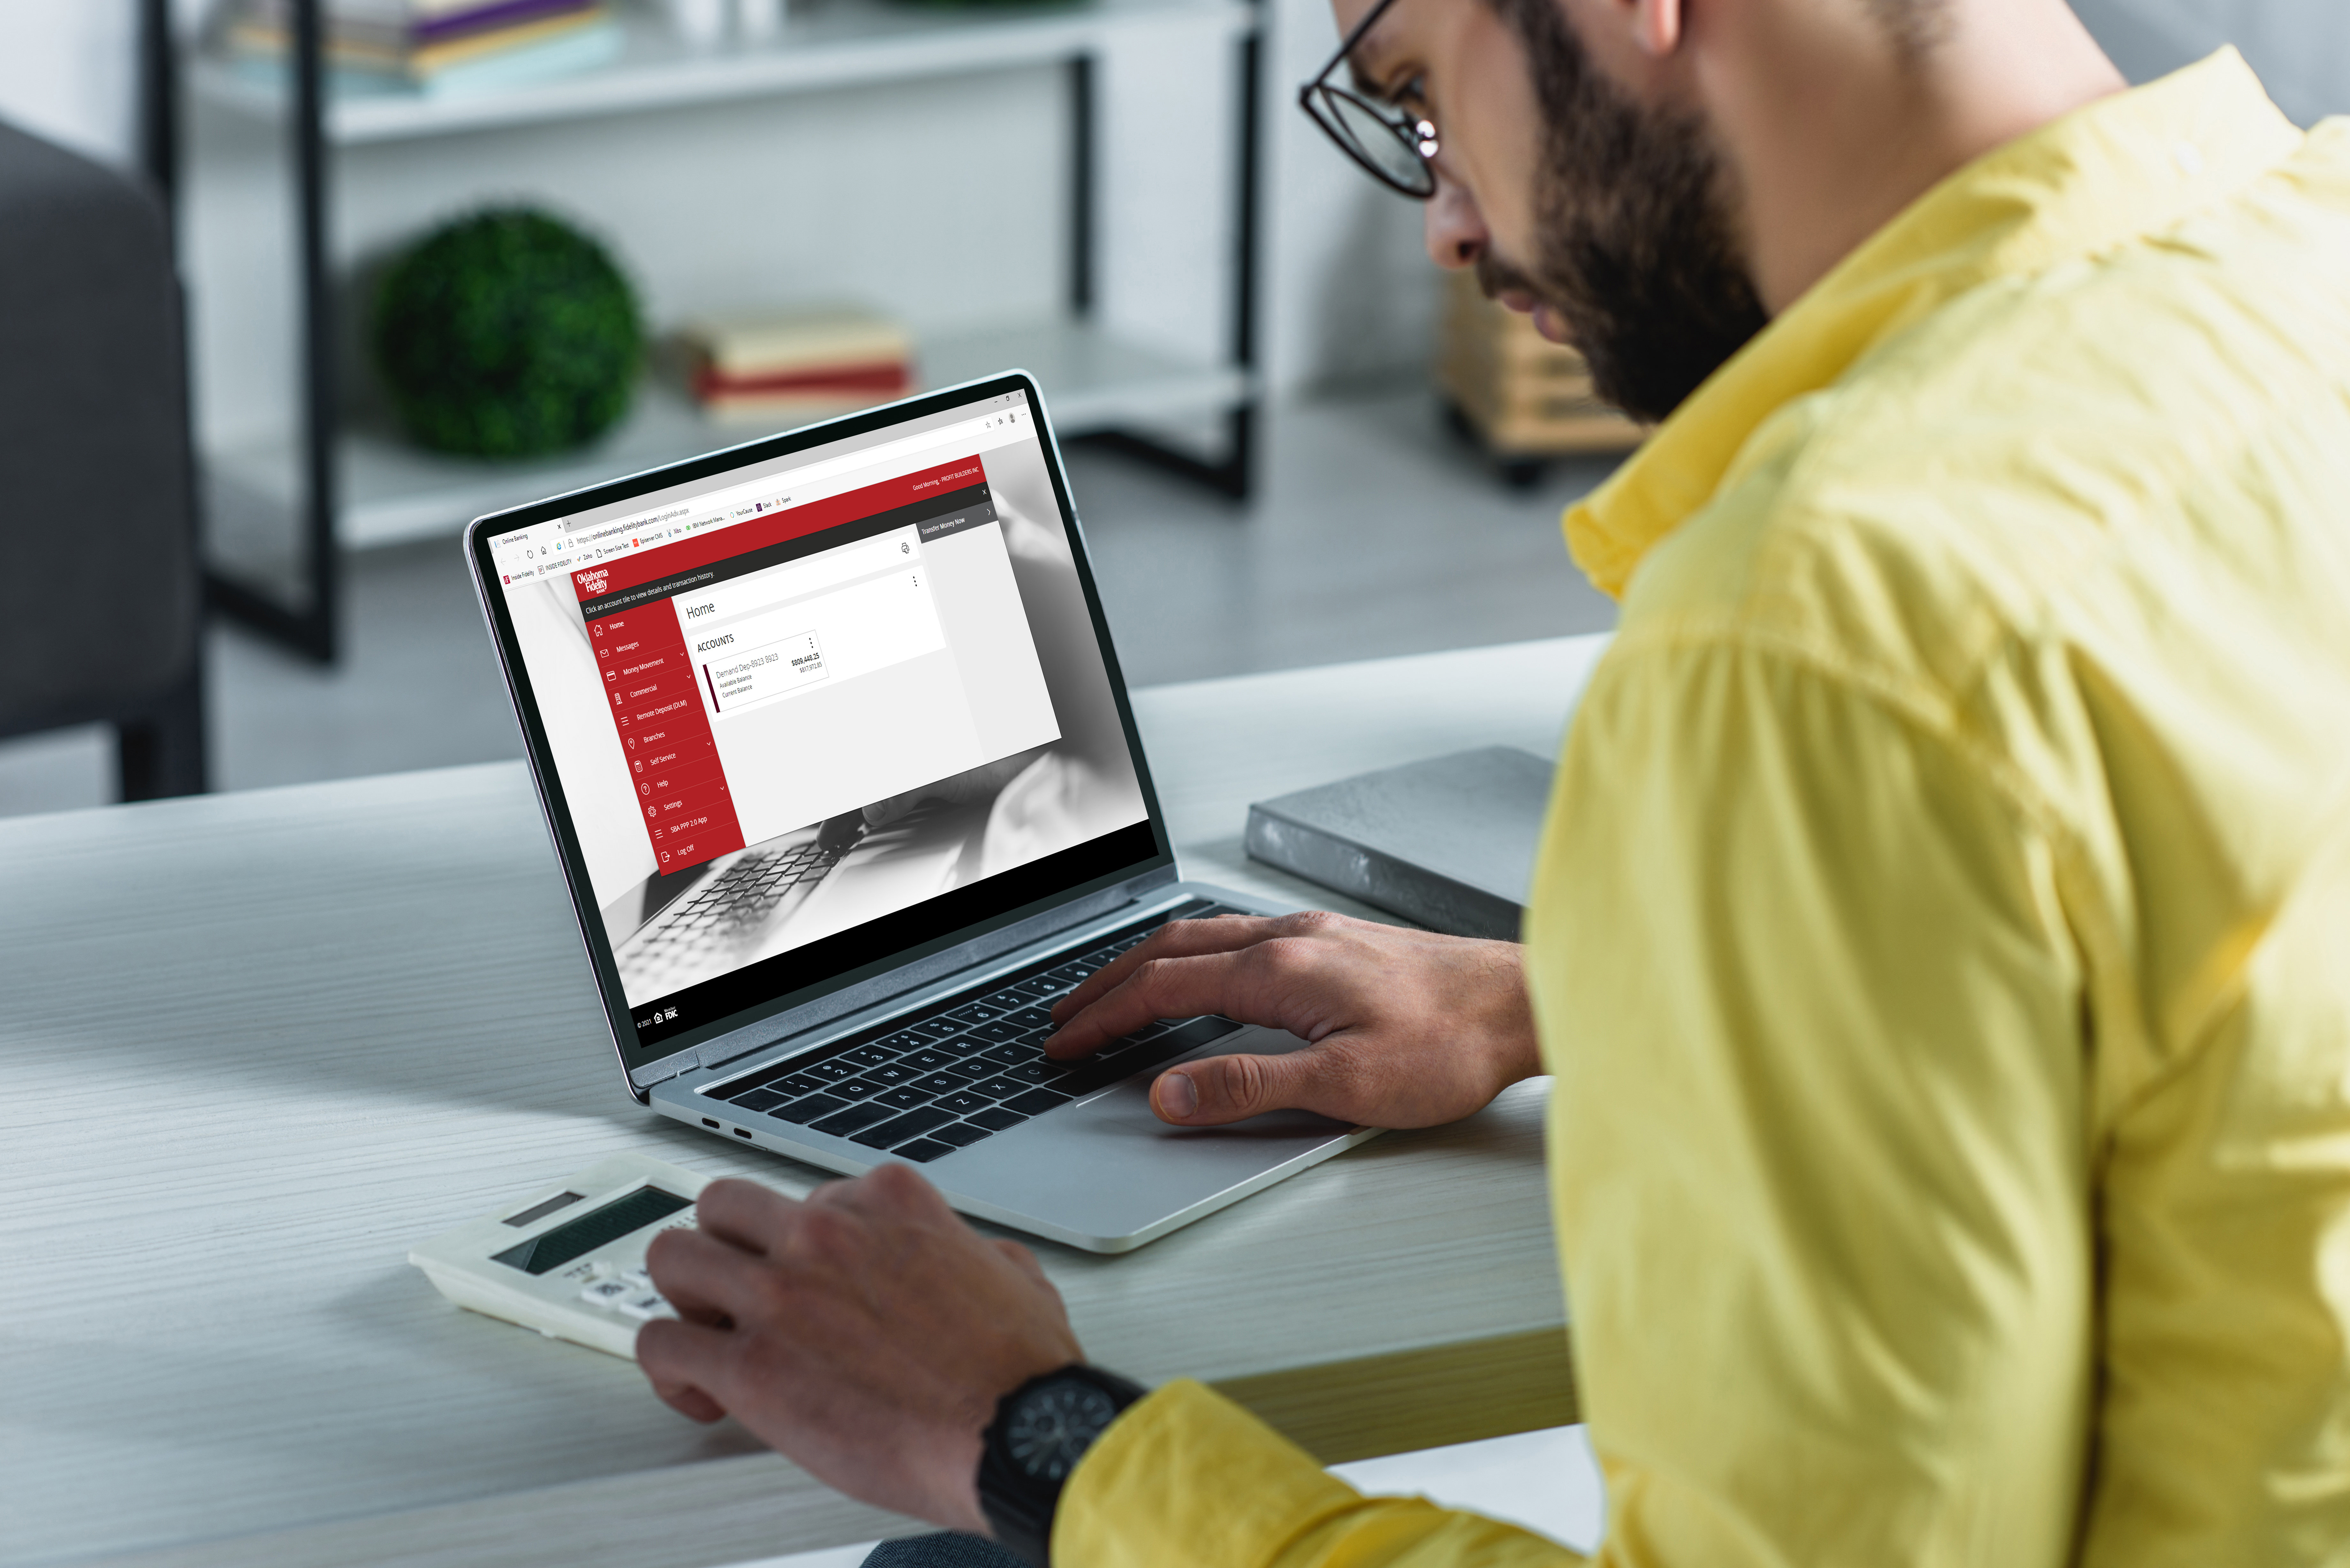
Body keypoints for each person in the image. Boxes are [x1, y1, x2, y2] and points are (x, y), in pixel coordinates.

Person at [634, 0, 2350, 1559]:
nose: (1451, 222)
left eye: (1418, 98)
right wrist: (1606, 1000)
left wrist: (1025, 1433)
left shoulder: (1825, 621)